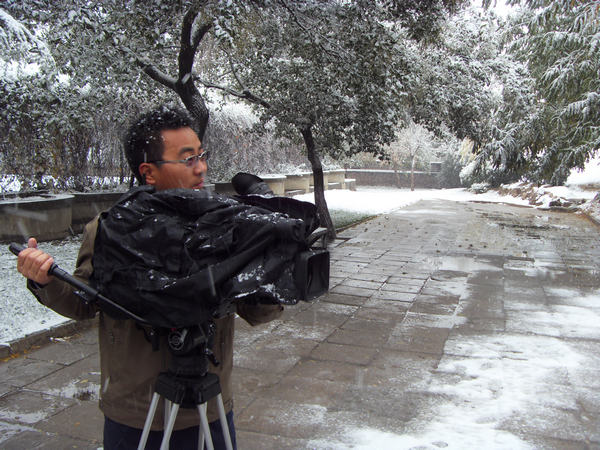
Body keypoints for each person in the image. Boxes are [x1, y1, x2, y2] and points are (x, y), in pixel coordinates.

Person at [16, 105, 284, 450]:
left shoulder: (226, 227)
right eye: (187, 159)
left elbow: (257, 312)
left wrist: (273, 272)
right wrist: (45, 281)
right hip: (134, 412)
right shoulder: (109, 230)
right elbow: (84, 303)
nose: (201, 167)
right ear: (149, 172)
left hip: (208, 407)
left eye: (201, 155)